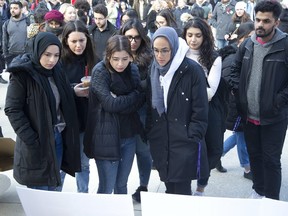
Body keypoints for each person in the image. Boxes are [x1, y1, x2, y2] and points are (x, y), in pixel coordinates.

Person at [4, 32, 81, 191]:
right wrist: (32, 139)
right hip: (36, 141)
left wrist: (73, 91)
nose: (52, 60)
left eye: (56, 55)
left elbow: (56, 95)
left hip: (57, 136)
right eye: (47, 55)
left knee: (54, 188)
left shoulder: (57, 70)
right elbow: (12, 109)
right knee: (39, 193)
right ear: (37, 51)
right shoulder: (22, 74)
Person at [230, 0, 288, 200]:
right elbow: (234, 70)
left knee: (271, 160)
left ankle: (271, 200)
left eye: (266, 21)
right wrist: (239, 93)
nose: (260, 25)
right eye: (258, 20)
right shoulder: (247, 44)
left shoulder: (285, 45)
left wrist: (277, 101)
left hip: (274, 116)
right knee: (254, 156)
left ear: (276, 23)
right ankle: (258, 190)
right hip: (249, 115)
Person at [147, 26, 209, 195]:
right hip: (162, 140)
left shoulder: (192, 70)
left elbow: (201, 109)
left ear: (174, 48)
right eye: (156, 50)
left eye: (165, 51)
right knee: (169, 187)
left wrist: (192, 136)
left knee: (181, 192)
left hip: (184, 142)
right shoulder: (153, 70)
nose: (160, 56)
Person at [83, 35, 145, 194]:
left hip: (129, 135)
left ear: (130, 57)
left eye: (125, 59)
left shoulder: (133, 69)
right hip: (106, 136)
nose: (120, 63)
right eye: (115, 58)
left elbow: (140, 98)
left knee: (122, 185)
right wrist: (130, 98)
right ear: (108, 55)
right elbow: (110, 104)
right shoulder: (100, 71)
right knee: (106, 187)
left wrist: (121, 100)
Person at [183, 17, 226, 196]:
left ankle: (201, 187)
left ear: (205, 36)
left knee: (212, 149)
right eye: (190, 35)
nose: (193, 39)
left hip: (208, 110)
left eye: (198, 35)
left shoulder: (213, 57)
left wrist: (186, 93)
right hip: (183, 110)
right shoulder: (179, 54)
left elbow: (210, 92)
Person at [60, 20, 97, 193]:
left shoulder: (93, 60)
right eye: (73, 41)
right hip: (65, 120)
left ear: (87, 39)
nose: (78, 45)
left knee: (83, 162)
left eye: (81, 40)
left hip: (85, 119)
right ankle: (53, 196)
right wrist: (72, 91)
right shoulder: (58, 60)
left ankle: (83, 195)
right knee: (62, 161)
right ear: (66, 40)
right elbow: (55, 88)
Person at [119, 18, 153, 202]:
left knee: (142, 151)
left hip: (141, 111)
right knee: (122, 151)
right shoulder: (115, 53)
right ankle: (119, 187)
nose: (132, 42)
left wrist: (135, 88)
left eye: (136, 38)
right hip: (120, 111)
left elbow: (151, 83)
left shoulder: (148, 58)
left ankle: (144, 185)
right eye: (129, 37)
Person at [217, 21, 255, 180]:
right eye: (250, 36)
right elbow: (228, 84)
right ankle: (247, 169)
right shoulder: (233, 57)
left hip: (243, 105)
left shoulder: (247, 52)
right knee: (242, 137)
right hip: (236, 106)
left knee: (240, 135)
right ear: (241, 38)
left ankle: (216, 154)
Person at [2, 1, 29, 67]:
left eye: (15, 8)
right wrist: (6, 55)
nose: (12, 10)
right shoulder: (6, 24)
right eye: (11, 8)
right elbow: (4, 40)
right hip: (11, 55)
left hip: (25, 55)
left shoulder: (28, 21)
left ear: (21, 9)